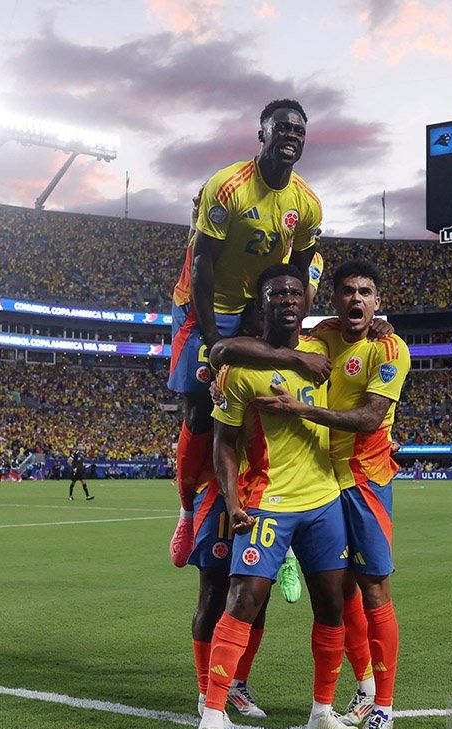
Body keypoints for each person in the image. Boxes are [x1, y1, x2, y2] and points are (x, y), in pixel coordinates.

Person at [190, 263, 357, 729]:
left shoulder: (325, 348)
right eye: (275, 293)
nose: (287, 299)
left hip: (324, 499)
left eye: (294, 292)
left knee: (332, 606)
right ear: (262, 304)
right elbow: (222, 443)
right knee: (242, 603)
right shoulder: (239, 368)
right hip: (266, 503)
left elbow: (363, 326)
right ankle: (211, 722)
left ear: (307, 302)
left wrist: (383, 325)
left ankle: (322, 711)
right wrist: (234, 501)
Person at [166, 97, 325, 610]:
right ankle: (189, 511)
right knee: (198, 408)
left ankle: (272, 516)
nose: (291, 135)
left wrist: (281, 333)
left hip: (257, 306)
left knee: (260, 409)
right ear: (262, 134)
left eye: (299, 129)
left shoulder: (308, 204)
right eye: (281, 127)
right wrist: (214, 344)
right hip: (204, 304)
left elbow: (295, 277)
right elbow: (204, 264)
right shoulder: (227, 186)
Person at [251, 259, 410, 729]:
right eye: (347, 291)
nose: (357, 299)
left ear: (378, 301)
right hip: (320, 479)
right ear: (334, 298)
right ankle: (363, 687)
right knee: (340, 591)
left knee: (374, 586)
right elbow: (280, 341)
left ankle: (383, 707)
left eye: (366, 292)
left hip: (364, 479)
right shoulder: (320, 335)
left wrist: (303, 410)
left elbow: (368, 418)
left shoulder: (389, 347)